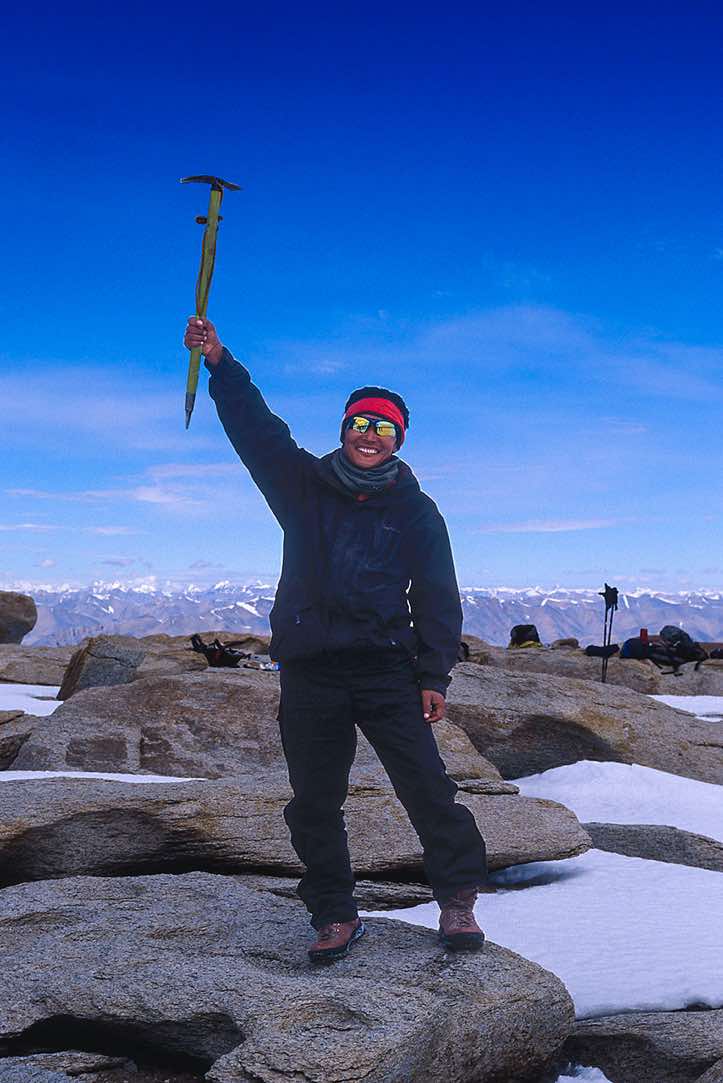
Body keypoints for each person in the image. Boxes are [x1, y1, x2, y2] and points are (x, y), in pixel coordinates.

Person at [184, 316, 488, 962]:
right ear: (344, 429)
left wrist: (434, 674)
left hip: (386, 671)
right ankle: (334, 913)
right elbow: (258, 432)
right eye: (359, 423)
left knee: (427, 788)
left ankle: (456, 900)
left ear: (398, 439)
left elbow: (437, 597)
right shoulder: (302, 488)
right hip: (311, 671)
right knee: (314, 801)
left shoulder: (415, 509)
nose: (368, 436)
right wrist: (219, 361)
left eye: (381, 428)